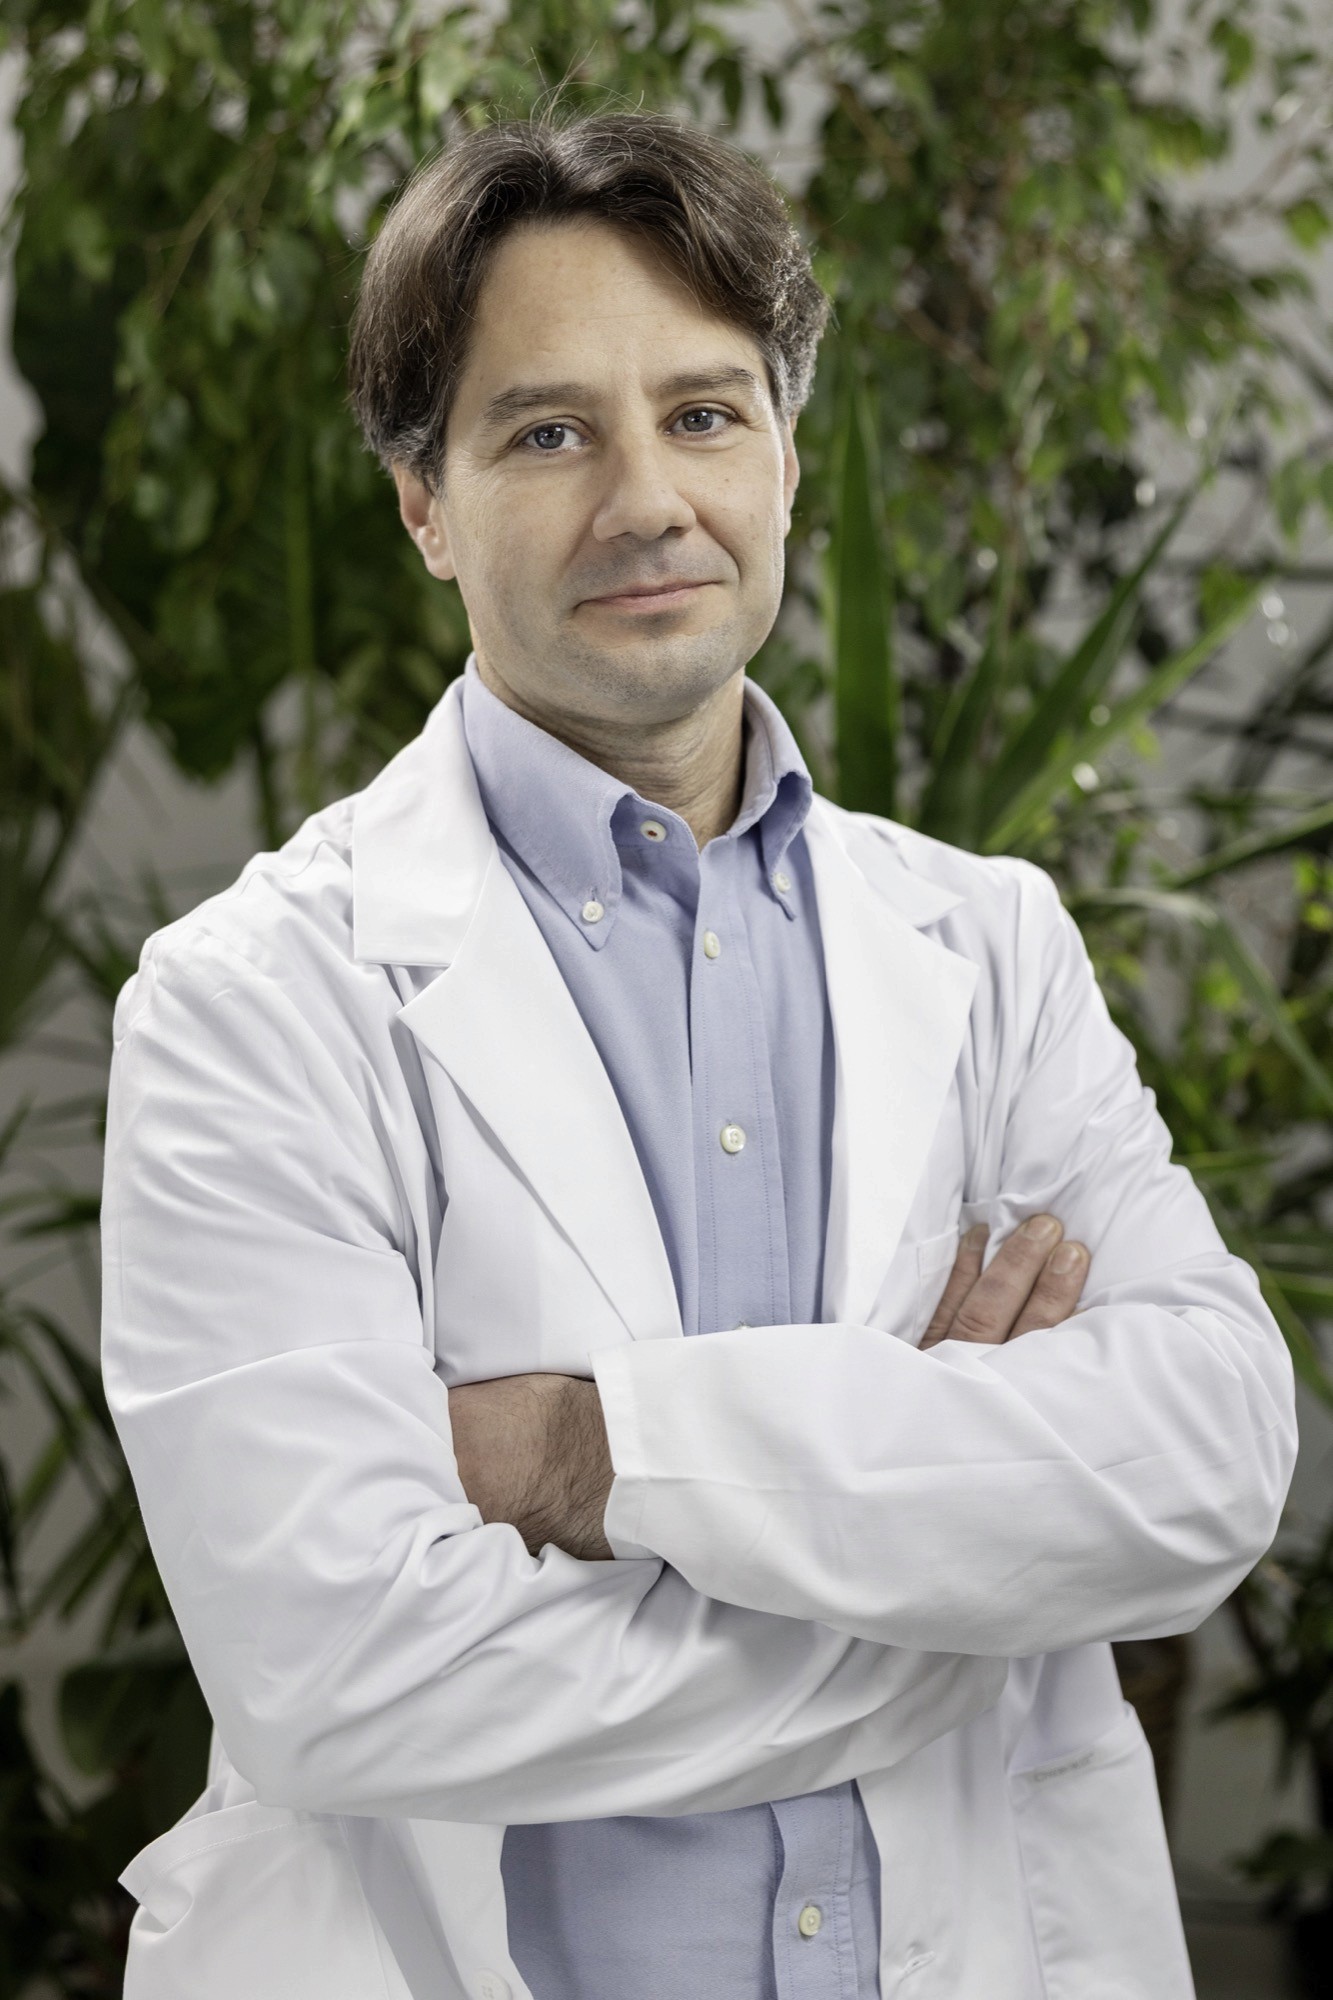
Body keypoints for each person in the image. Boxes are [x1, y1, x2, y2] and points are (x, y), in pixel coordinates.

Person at [101, 112, 1296, 2000]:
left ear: (788, 457)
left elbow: (1206, 1459)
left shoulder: (983, 944)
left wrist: (588, 1449)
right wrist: (953, 1577)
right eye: (549, 430)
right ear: (424, 505)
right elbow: (348, 1676)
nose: (649, 497)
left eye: (707, 413)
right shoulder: (254, 999)